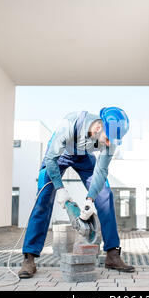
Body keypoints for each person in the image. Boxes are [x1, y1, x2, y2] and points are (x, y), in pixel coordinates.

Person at [18, 107, 135, 278]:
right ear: (97, 128)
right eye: (108, 139)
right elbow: (51, 159)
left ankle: (112, 254)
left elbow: (101, 172)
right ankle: (29, 258)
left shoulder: (111, 139)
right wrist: (60, 189)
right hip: (59, 155)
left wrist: (90, 199)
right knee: (44, 197)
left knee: (105, 195)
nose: (110, 144)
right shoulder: (68, 125)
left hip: (84, 157)